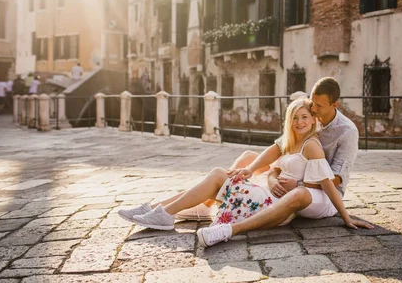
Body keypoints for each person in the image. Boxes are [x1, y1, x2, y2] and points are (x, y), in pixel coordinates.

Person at [118, 77, 368, 241]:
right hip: (293, 178)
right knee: (249, 158)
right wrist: (258, 172)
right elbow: (279, 148)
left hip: (318, 190)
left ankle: (197, 207)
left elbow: (332, 179)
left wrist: (303, 187)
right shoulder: (307, 124)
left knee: (229, 176)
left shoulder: (346, 132)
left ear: (335, 104)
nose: (311, 111)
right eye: (308, 107)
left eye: (316, 108)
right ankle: (166, 207)